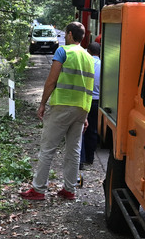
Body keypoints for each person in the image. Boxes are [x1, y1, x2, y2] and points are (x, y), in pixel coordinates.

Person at [21, 22, 95, 201]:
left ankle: (38, 189)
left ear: (69, 34)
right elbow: (90, 86)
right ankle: (69, 189)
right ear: (82, 37)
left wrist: (42, 104)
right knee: (73, 150)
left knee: (47, 148)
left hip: (62, 105)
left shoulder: (63, 51)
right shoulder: (88, 57)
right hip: (81, 108)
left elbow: (51, 81)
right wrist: (85, 114)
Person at [79, 42, 101, 171]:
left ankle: (80, 159)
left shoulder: (84, 63)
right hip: (97, 102)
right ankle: (90, 158)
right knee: (93, 130)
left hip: (84, 100)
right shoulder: (104, 65)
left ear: (88, 51)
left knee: (80, 130)